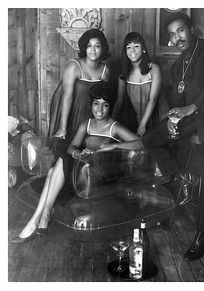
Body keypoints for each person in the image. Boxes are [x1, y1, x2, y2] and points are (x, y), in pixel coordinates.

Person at [10, 82, 144, 243]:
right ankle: (41, 218)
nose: (99, 109)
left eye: (105, 105)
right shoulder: (86, 124)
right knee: (59, 161)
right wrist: (78, 153)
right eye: (96, 104)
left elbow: (141, 143)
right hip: (84, 170)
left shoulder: (114, 127)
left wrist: (114, 145)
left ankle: (39, 219)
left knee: (58, 165)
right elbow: (72, 146)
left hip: (101, 176)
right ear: (91, 104)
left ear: (111, 107)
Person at [142, 12, 204, 260]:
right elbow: (176, 102)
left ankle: (203, 235)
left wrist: (194, 107)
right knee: (150, 139)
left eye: (180, 30)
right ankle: (181, 176)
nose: (176, 37)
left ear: (191, 29)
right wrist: (172, 122)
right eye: (171, 34)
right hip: (189, 121)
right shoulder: (177, 65)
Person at [48, 28, 110, 144]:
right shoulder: (73, 67)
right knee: (67, 147)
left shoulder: (105, 71)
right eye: (89, 46)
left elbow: (103, 99)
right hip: (71, 110)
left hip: (90, 111)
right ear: (84, 48)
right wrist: (63, 128)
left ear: (102, 48)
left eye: (97, 46)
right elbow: (67, 97)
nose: (93, 50)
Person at [112, 32, 163, 137]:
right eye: (128, 47)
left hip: (156, 116)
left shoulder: (153, 68)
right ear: (125, 51)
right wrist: (111, 121)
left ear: (143, 49)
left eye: (136, 46)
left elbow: (153, 99)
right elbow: (120, 100)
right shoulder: (123, 72)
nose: (132, 50)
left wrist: (143, 124)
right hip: (136, 117)